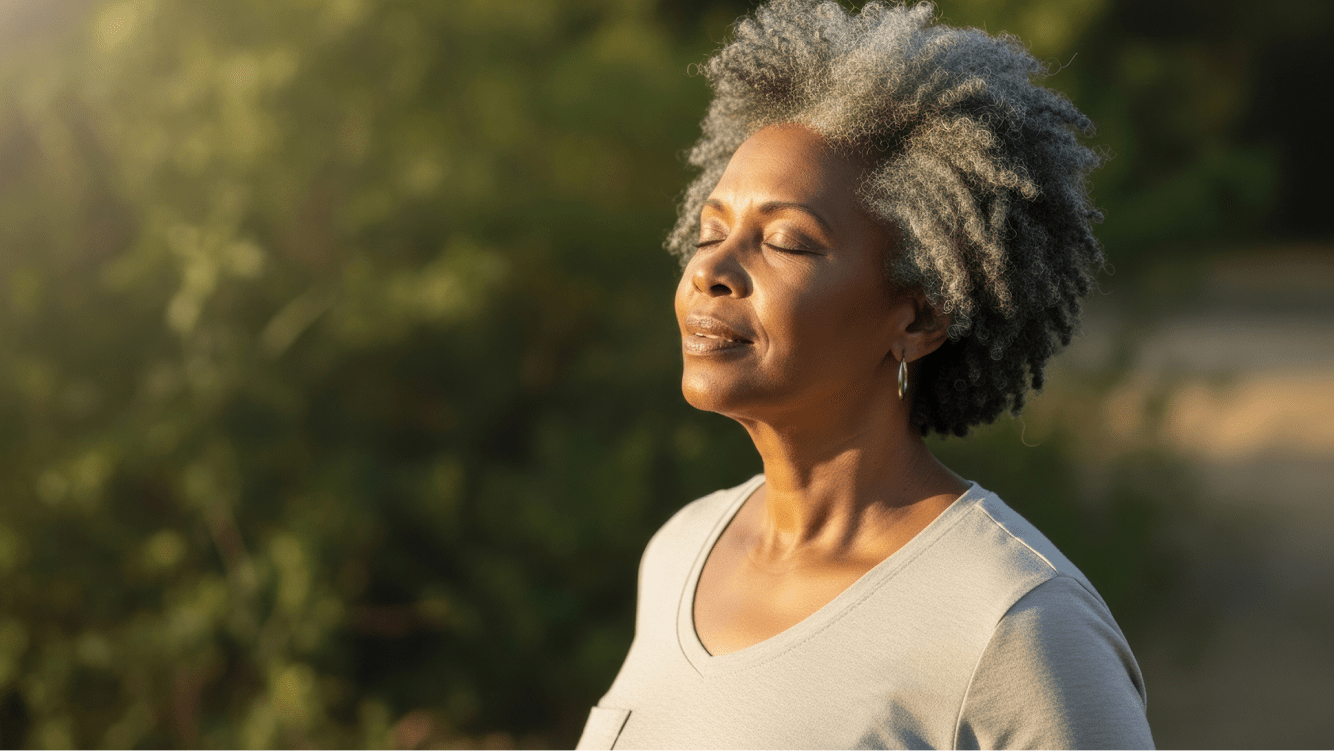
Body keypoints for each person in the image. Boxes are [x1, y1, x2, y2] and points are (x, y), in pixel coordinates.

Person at [576, 1, 1153, 749]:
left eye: (786, 241)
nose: (712, 270)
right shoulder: (681, 552)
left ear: (916, 320)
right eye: (710, 231)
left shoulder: (1013, 622)